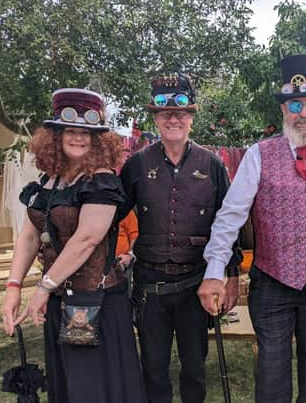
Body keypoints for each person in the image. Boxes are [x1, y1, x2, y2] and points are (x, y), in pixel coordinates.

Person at [197, 53, 306, 402]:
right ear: (283, 110)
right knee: (272, 376)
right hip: (273, 283)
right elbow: (230, 216)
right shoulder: (259, 154)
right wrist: (214, 271)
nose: (303, 114)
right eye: (294, 105)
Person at [0, 88, 145, 403]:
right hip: (59, 301)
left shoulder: (102, 181)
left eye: (86, 132)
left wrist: (41, 288)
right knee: (69, 384)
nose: (78, 138)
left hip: (95, 303)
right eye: (70, 131)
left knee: (92, 386)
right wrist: (13, 286)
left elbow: (87, 238)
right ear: (55, 135)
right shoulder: (47, 181)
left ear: (97, 140)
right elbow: (29, 235)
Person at [119, 72, 241, 403]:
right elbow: (111, 214)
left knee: (195, 369)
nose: (173, 118)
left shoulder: (213, 164)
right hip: (150, 287)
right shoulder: (136, 165)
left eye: (181, 113)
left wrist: (231, 277)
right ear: (156, 118)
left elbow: (226, 224)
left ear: (190, 118)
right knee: (154, 369)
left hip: (195, 285)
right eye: (164, 113)